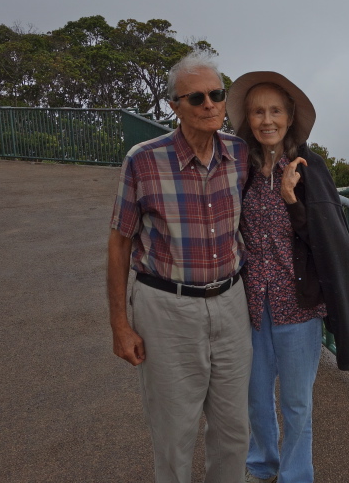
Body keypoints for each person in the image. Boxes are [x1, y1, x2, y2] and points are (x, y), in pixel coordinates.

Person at [107, 50, 251, 483]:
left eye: (216, 94)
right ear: (174, 106)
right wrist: (119, 324)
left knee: (234, 431)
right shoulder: (144, 159)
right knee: (173, 434)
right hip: (165, 308)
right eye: (196, 98)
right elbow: (118, 243)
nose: (209, 104)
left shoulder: (240, 154)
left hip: (231, 304)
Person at [226, 72, 349, 483]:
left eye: (275, 111)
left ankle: (295, 475)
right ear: (248, 119)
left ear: (289, 118)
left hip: (298, 307)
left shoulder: (309, 168)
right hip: (252, 304)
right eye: (257, 112)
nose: (266, 120)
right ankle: (262, 463)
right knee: (255, 395)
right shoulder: (243, 167)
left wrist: (291, 201)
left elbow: (327, 239)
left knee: (297, 402)